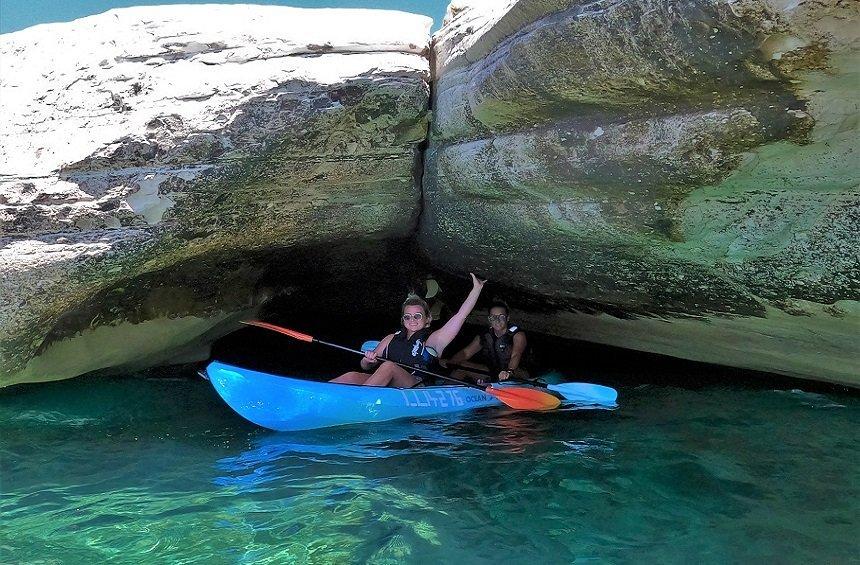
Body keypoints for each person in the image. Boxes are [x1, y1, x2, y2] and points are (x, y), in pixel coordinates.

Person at [330, 273, 486, 387]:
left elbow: (460, 316)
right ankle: (317, 396)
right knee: (351, 377)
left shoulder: (434, 340)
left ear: (428, 319)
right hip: (389, 384)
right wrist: (366, 360)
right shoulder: (390, 338)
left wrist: (476, 289)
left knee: (388, 366)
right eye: (408, 317)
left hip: (417, 387)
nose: (412, 320)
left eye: (417, 316)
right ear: (403, 320)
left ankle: (357, 403)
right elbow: (366, 366)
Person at [444, 300, 528, 384]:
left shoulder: (518, 335)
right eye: (493, 317)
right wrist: (450, 362)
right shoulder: (484, 335)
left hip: (514, 373)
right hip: (493, 372)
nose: (497, 320)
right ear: (489, 319)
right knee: (461, 366)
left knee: (514, 373)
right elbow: (466, 353)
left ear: (507, 318)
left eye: (501, 317)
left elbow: (516, 355)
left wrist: (509, 371)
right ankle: (442, 390)